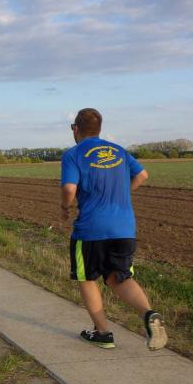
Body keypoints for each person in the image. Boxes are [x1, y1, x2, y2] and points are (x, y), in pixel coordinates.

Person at [60, 108, 167, 351]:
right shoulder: (119, 151)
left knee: (87, 278)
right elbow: (142, 175)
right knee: (118, 278)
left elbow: (69, 189)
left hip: (91, 229)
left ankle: (102, 333)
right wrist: (122, 194)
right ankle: (149, 314)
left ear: (75, 129)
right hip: (124, 228)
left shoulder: (73, 154)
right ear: (99, 129)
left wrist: (64, 207)